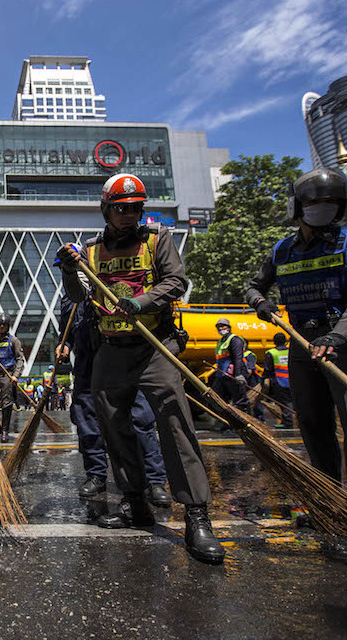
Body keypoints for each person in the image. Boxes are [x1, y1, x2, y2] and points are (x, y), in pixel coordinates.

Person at [58, 173, 224, 564]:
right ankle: (135, 503)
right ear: (106, 209)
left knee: (175, 425)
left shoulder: (156, 240)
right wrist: (69, 268)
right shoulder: (91, 252)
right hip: (111, 351)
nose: (130, 215)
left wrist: (142, 302)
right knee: (113, 427)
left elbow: (176, 280)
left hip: (154, 348)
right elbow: (79, 296)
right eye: (122, 209)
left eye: (136, 208)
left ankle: (197, 517)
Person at [246, 167, 347, 553]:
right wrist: (261, 304)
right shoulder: (282, 250)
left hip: (343, 345)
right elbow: (253, 285)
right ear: (298, 206)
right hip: (302, 344)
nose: (321, 208)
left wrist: (339, 335)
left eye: (329, 202)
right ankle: (328, 505)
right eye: (313, 201)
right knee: (315, 428)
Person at [55, 247, 172, 510]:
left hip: (118, 362)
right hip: (85, 368)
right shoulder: (67, 301)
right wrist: (64, 345)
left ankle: (154, 480)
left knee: (140, 418)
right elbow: (68, 332)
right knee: (87, 421)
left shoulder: (107, 291)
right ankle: (96, 474)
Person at [0, 312, 24, 443]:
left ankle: (4, 430)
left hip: (7, 374)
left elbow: (20, 359)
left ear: (8, 326)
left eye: (4, 324)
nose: (2, 326)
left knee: (6, 402)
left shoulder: (13, 341)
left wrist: (16, 375)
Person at [211, 318, 250, 415]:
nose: (220, 328)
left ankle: (244, 423)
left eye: (222, 326)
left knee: (240, 401)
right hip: (222, 375)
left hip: (233, 375)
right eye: (218, 327)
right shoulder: (221, 341)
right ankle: (227, 424)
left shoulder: (235, 340)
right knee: (221, 400)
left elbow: (238, 358)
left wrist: (238, 374)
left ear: (228, 327)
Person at [263, 333, 294, 428]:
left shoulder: (272, 353)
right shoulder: (291, 351)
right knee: (293, 401)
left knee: (285, 403)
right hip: (292, 380)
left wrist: (265, 379)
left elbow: (268, 368)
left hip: (279, 380)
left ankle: (288, 422)